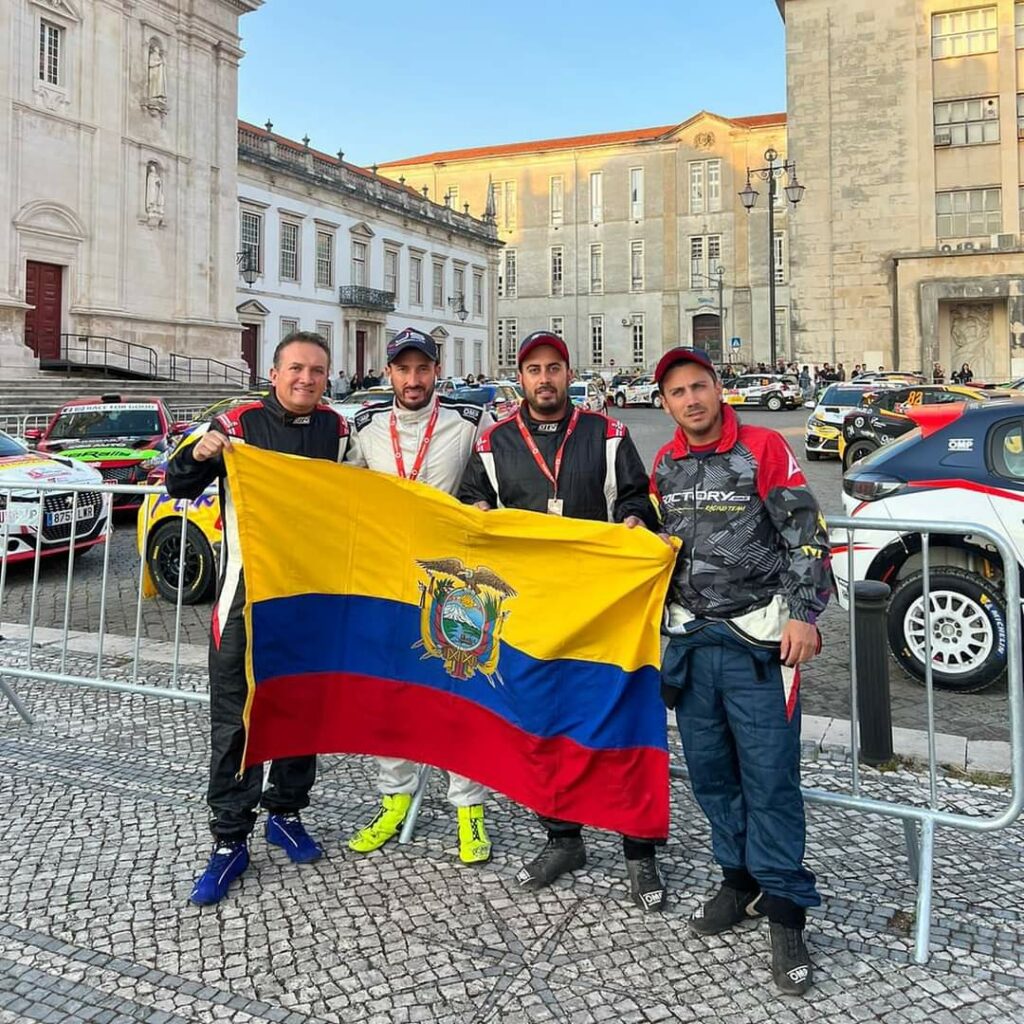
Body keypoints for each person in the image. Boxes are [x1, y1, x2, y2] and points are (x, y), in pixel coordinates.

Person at [457, 330, 667, 912]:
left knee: (620, 727)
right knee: (544, 728)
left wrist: (633, 519)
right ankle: (562, 838)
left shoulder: (607, 433)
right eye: (534, 370)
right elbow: (471, 503)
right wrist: (476, 510)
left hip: (604, 611)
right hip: (534, 613)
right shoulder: (494, 440)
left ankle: (639, 852)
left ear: (568, 374)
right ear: (519, 378)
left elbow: (637, 497)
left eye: (554, 368)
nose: (544, 379)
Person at [650, 346, 830, 996]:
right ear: (664, 404)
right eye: (678, 392)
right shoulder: (664, 464)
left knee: (770, 780)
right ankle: (739, 882)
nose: (691, 399)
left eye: (699, 386)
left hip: (760, 646)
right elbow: (661, 549)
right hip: (693, 646)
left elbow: (807, 534)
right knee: (712, 776)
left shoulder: (762, 448)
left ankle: (785, 913)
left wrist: (805, 615)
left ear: (718, 388)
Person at [166, 331, 361, 906]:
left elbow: (359, 501)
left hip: (310, 595)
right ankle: (229, 839)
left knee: (302, 707)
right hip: (245, 597)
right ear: (273, 374)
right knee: (237, 718)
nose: (306, 379)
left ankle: (286, 812)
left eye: (317, 371)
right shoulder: (236, 424)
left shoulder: (338, 431)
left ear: (327, 378)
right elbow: (177, 482)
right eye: (296, 368)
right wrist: (199, 454)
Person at [344, 327, 495, 864]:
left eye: (422, 369)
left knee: (459, 695)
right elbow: (342, 493)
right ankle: (394, 798)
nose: (413, 379)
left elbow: (494, 482)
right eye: (403, 369)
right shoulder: (365, 428)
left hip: (454, 583)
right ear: (389, 373)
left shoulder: (470, 421)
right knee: (390, 695)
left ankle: (468, 808)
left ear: (437, 371)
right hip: (388, 579)